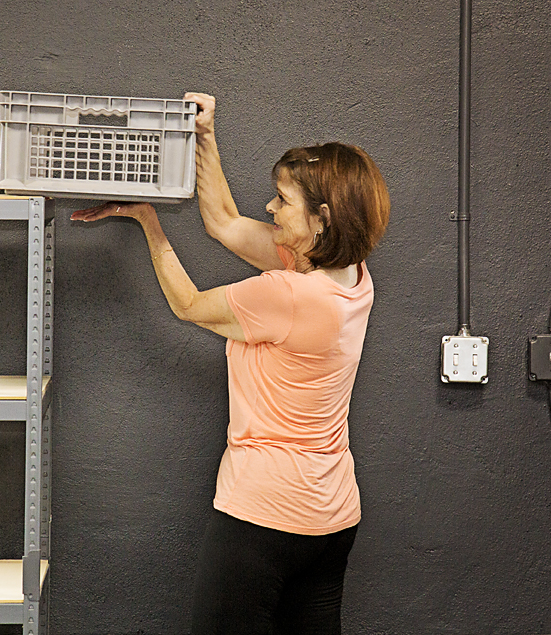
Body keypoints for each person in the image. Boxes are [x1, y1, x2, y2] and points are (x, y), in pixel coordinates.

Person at [71, 92, 390, 635]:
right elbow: (222, 220)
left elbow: (189, 305)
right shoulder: (352, 275)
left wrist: (148, 221)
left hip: (264, 516)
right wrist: (205, 134)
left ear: (321, 220)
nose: (269, 208)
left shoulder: (289, 295)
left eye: (282, 201)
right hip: (332, 516)